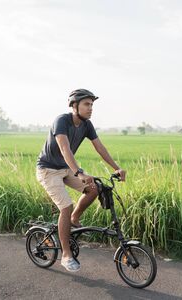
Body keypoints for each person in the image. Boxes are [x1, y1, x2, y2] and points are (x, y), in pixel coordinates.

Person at [36, 89, 126, 272]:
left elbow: (99, 147)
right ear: (74, 105)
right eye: (87, 104)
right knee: (65, 206)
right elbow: (64, 148)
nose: (90, 108)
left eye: (92, 105)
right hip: (48, 170)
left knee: (94, 189)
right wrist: (79, 173)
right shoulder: (61, 120)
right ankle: (66, 255)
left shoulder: (87, 125)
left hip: (66, 168)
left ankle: (74, 218)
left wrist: (116, 168)